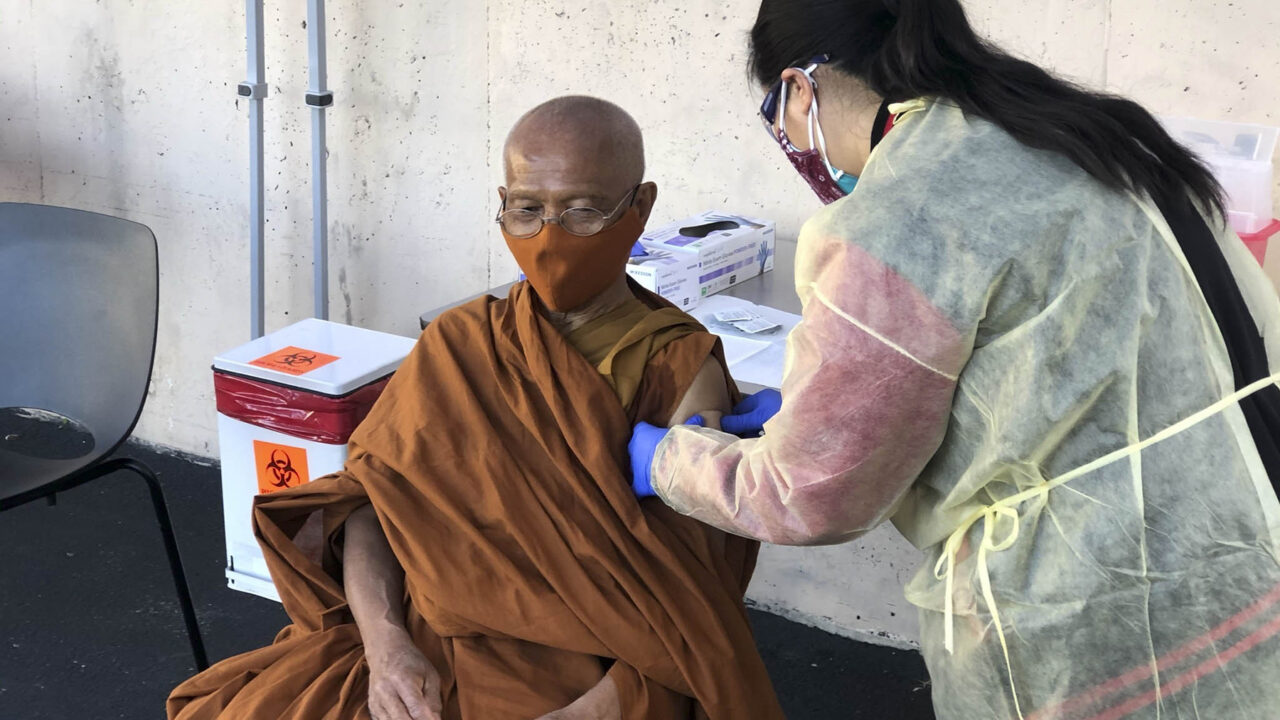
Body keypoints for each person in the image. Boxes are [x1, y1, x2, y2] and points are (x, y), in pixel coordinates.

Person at [628, 1, 1280, 718]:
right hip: (1245, 545)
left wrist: (670, 460)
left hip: (1095, 618)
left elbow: (809, 495)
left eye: (774, 113)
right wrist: (822, 410)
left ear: (799, 89)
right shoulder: (1088, 133)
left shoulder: (902, 214)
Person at [168, 96, 785, 720]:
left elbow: (689, 619)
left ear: (640, 206)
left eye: (582, 211)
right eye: (526, 210)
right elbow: (370, 505)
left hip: (584, 679)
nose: (549, 235)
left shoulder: (676, 370)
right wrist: (387, 653)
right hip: (421, 648)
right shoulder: (462, 342)